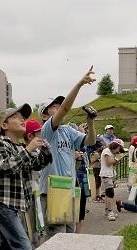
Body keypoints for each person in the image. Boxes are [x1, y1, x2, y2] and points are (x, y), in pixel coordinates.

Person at [0, 104, 50, 250]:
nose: (23, 120)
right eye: (17, 117)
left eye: (23, 117)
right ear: (4, 125)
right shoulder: (0, 144)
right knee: (24, 248)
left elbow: (37, 165)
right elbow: (7, 166)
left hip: (13, 205)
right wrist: (29, 149)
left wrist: (44, 150)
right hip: (2, 204)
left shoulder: (21, 147)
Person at [37, 66, 97, 238]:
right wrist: (79, 84)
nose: (59, 107)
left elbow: (90, 141)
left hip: (68, 189)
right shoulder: (47, 130)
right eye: (53, 106)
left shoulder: (67, 131)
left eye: (59, 104)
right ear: (44, 115)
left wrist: (90, 122)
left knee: (69, 235)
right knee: (57, 237)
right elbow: (65, 110)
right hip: (52, 190)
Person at [100, 139, 125, 221]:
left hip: (109, 175)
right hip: (106, 175)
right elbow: (108, 162)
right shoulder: (107, 151)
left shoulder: (110, 152)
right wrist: (117, 158)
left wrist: (116, 159)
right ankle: (110, 211)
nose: (119, 151)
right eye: (119, 148)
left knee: (108, 194)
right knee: (110, 193)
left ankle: (107, 211)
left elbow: (112, 164)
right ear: (116, 146)